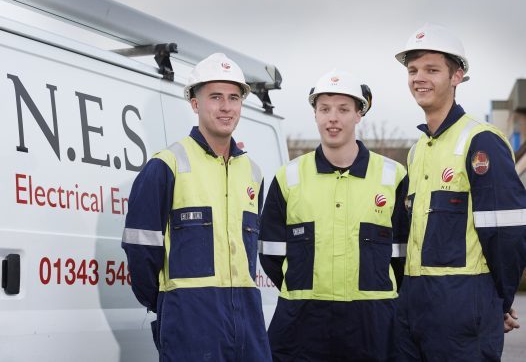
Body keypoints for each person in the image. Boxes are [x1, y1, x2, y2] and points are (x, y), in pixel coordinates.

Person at [121, 52, 272, 362]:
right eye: (215, 97)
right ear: (195, 103)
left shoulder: (254, 174)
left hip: (248, 331)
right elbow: (140, 254)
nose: (226, 107)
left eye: (233, 97)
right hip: (190, 331)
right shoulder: (166, 167)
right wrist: (172, 306)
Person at [394, 23, 526, 361]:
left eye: (431, 69)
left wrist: (499, 300)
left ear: (457, 76)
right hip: (413, 306)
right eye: (413, 70)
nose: (418, 78)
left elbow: (507, 233)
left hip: (463, 304)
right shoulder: (417, 149)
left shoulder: (481, 141)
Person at [258, 69, 409, 361]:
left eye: (343, 109)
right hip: (302, 324)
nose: (333, 118)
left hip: (373, 325)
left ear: (359, 114)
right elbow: (271, 254)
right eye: (324, 109)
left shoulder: (393, 176)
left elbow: (405, 257)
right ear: (315, 114)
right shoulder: (289, 177)